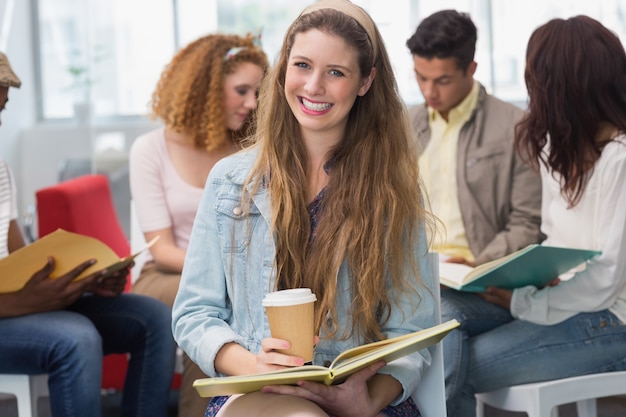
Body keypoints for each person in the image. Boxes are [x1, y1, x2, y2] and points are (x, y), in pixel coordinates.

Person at [172, 0, 438, 416]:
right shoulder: (230, 180)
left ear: (365, 82)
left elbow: (412, 330)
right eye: (302, 65)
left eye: (336, 72)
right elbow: (195, 313)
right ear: (282, 72)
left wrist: (368, 399)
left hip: (359, 400)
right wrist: (253, 366)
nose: (314, 86)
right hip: (256, 394)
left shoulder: (392, 193)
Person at [441, 15, 626, 416]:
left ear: (564, 88)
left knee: (456, 364)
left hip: (612, 321)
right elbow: (553, 239)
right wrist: (509, 275)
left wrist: (525, 303)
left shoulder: (620, 158)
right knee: (446, 317)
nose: (533, 94)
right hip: (563, 300)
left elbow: (607, 280)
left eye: (537, 83)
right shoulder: (558, 151)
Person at [0, 52, 177, 417]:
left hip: (17, 306)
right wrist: (19, 303)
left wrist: (80, 281)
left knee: (154, 319)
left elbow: (17, 260)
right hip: (10, 310)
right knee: (75, 337)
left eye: (1, 111)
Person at [129, 33, 268, 416]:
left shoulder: (252, 148)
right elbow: (161, 249)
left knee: (225, 312)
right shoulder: (151, 150)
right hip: (167, 273)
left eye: (258, 92)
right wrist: (228, 277)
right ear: (206, 90)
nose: (252, 103)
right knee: (211, 310)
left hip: (237, 276)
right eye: (241, 90)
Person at [405, 10, 543, 267]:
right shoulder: (403, 127)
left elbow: (528, 223)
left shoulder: (516, 127)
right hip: (412, 275)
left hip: (479, 276)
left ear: (471, 69)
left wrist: (480, 264)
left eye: (442, 80)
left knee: (443, 309)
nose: (428, 91)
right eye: (421, 77)